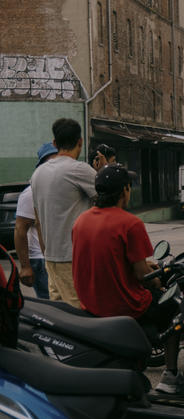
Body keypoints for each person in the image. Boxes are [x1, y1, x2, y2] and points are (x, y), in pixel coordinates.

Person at [72, 164, 183, 394]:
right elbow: (143, 276)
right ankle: (170, 376)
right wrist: (158, 281)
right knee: (175, 310)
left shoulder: (81, 221)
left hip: (91, 302)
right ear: (124, 191)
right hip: (125, 305)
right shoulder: (130, 223)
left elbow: (106, 259)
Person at [31, 118, 96, 307]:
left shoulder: (37, 174)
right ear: (80, 141)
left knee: (61, 315)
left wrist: (46, 253)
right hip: (74, 257)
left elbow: (38, 220)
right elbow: (110, 199)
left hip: (51, 258)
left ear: (54, 143)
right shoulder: (79, 169)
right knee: (80, 314)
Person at [13, 143, 58, 299]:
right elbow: (20, 229)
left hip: (61, 256)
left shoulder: (62, 187)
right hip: (40, 259)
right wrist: (25, 266)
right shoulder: (30, 193)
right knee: (53, 307)